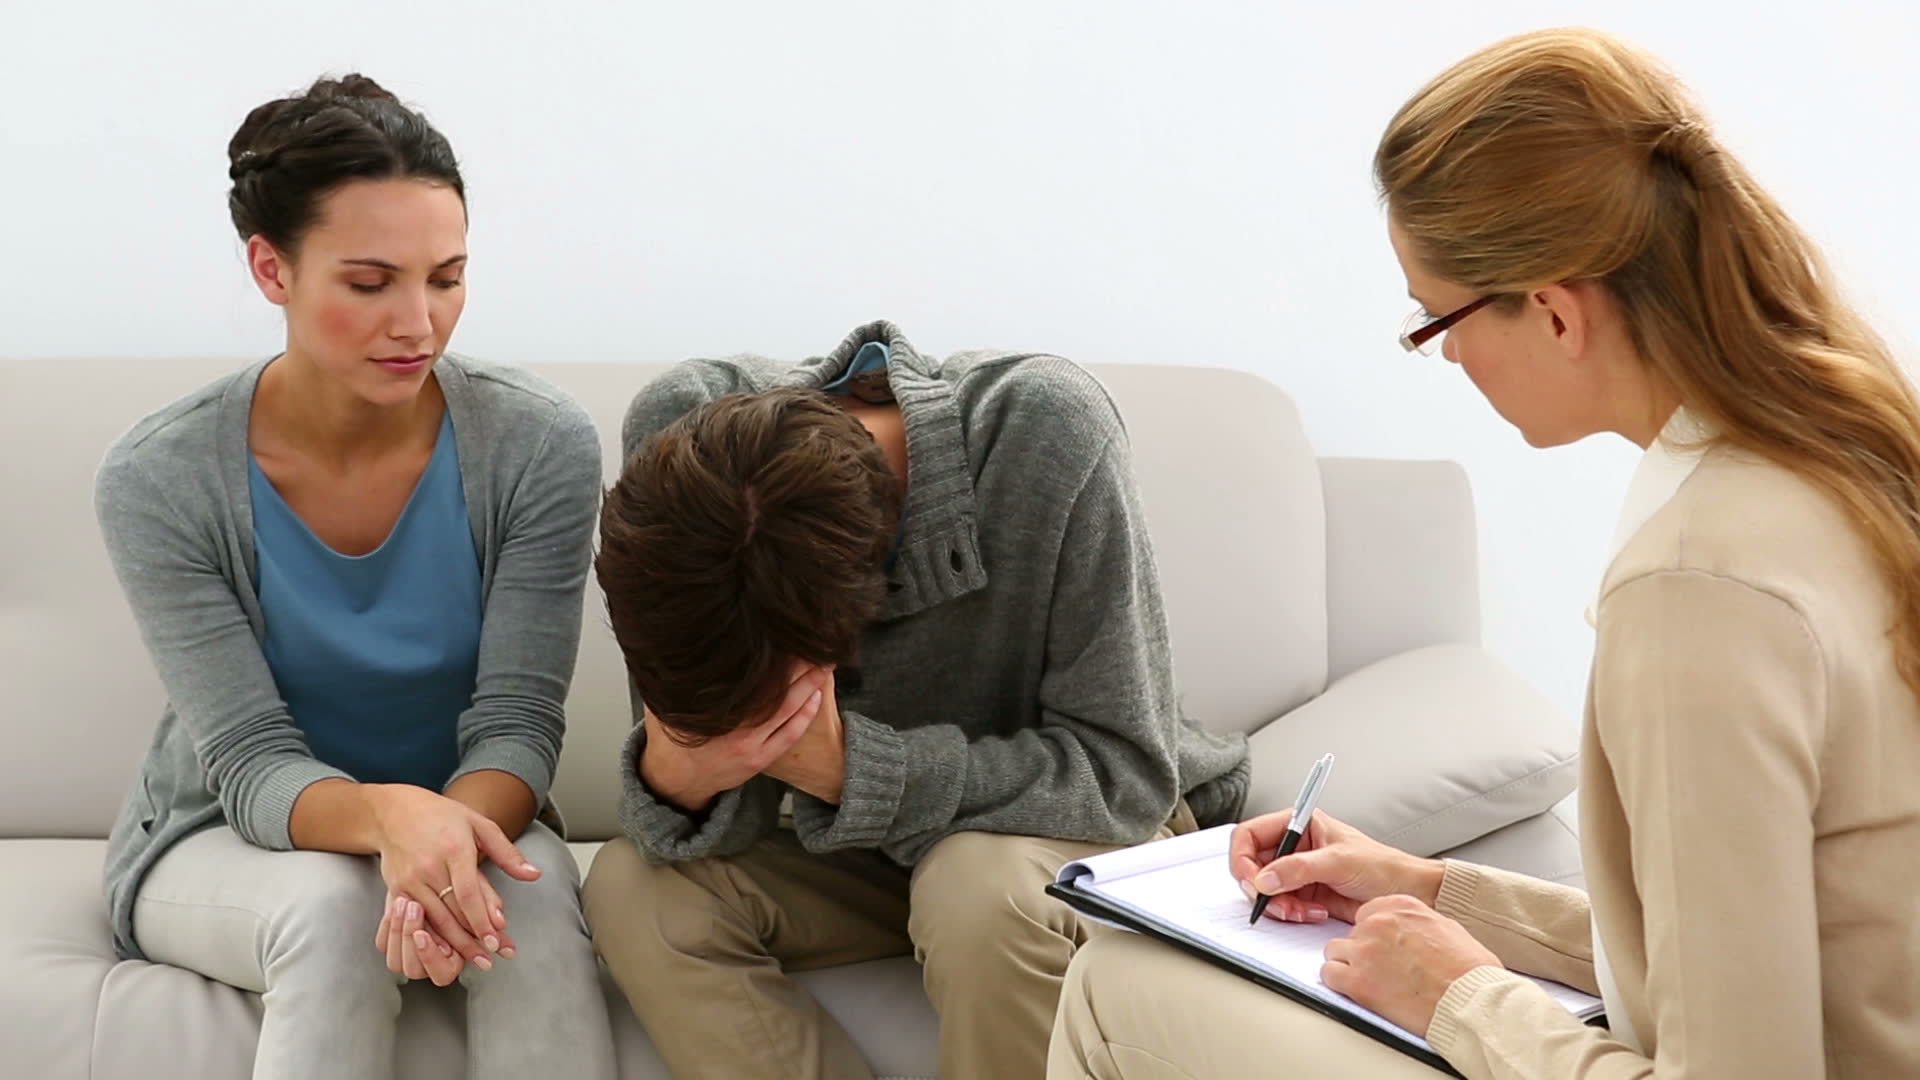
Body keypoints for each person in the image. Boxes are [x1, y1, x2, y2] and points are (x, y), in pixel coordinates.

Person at [1049, 27, 1920, 1080]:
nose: (1450, 353)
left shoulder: (1695, 588)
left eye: (1436, 319)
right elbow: (1751, 952)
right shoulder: (1849, 462)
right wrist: (1426, 891)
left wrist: (1458, 995)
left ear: (1554, 310)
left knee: (1115, 984)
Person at [94, 74, 614, 1079]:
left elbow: (517, 721)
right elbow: (249, 760)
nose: (418, 323)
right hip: (226, 837)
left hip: (470, 809)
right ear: (271, 268)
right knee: (333, 911)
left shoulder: (538, 443)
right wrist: (388, 821)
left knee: (532, 897)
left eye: (446, 278)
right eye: (371, 284)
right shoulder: (160, 476)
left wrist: (439, 845)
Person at [580, 319, 1251, 1078]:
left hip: (1067, 833)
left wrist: (855, 773)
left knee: (974, 890)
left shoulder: (1046, 427)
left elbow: (1126, 778)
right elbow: (702, 760)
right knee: (633, 888)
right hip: (863, 852)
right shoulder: (678, 430)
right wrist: (681, 777)